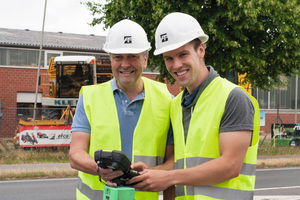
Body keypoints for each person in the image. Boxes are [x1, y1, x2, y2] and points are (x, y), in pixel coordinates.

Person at [127, 12, 260, 200]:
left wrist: (168, 177)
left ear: (201, 50)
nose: (176, 65)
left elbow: (230, 166)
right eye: (169, 58)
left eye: (183, 54)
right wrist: (151, 172)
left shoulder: (233, 97)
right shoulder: (175, 105)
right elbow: (184, 164)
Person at [69, 19, 174, 200]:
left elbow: (174, 161)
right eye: (118, 57)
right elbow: (75, 154)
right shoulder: (89, 97)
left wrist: (151, 172)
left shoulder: (167, 100)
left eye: (133, 56)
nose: (125, 64)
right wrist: (98, 169)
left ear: (145, 59)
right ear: (110, 59)